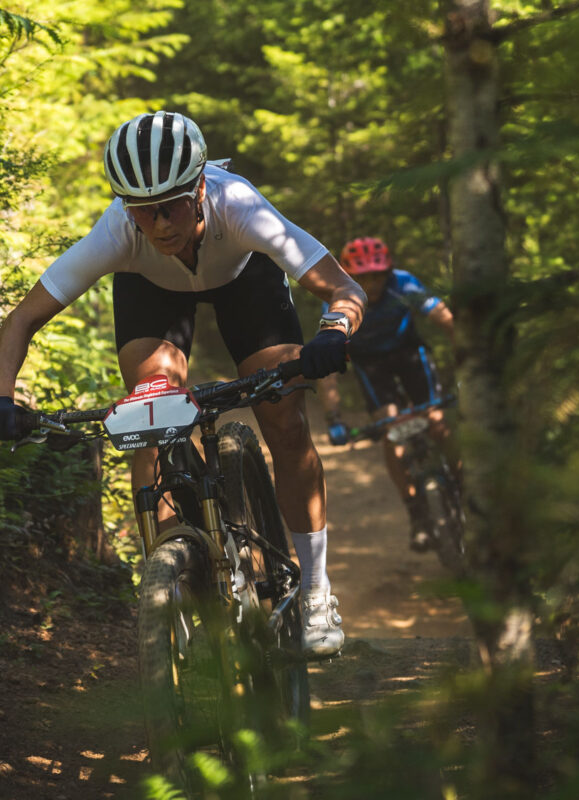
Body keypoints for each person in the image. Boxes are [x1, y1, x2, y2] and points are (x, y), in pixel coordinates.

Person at [0, 111, 366, 658]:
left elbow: (343, 286)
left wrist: (333, 333)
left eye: (170, 205)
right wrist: (3, 398)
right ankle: (179, 589)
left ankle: (315, 591)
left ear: (199, 187)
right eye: (142, 212)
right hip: (152, 289)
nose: (160, 224)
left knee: (284, 419)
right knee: (151, 416)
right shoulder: (121, 232)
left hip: (247, 279)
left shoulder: (239, 206)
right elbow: (21, 320)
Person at [319, 236, 456, 552]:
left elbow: (444, 318)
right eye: (364, 277)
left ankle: (466, 490)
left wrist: (470, 358)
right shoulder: (337, 298)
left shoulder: (404, 284)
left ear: (388, 272)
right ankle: (417, 513)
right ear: (351, 276)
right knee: (392, 434)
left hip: (410, 355)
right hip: (372, 366)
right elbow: (327, 363)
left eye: (378, 275)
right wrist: (333, 417)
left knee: (436, 422)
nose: (373, 283)